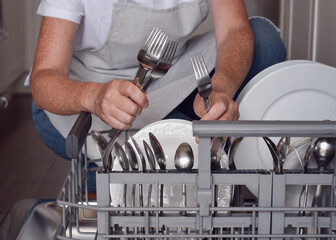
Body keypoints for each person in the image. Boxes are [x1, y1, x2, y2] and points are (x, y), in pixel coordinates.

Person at [29, 0, 286, 190]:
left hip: (169, 73)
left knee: (264, 40)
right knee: (170, 150)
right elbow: (44, 77)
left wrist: (220, 87)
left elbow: (234, 30)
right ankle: (111, 174)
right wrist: (94, 96)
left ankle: (134, 163)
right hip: (85, 92)